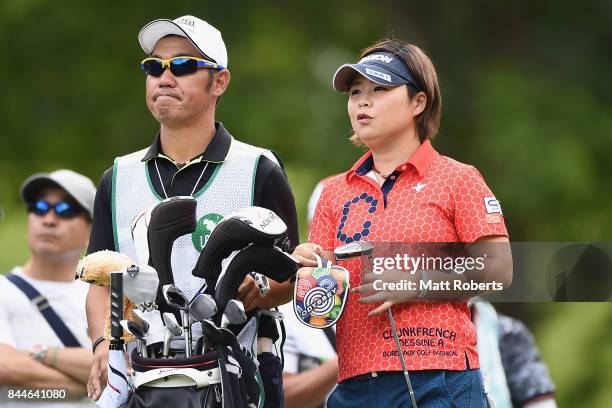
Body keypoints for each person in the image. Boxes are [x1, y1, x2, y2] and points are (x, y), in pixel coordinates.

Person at [84, 15, 298, 407]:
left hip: (236, 383)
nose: (164, 78)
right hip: (143, 386)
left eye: (182, 65)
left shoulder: (258, 169)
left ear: (220, 82)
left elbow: (290, 277)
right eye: (153, 66)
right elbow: (103, 283)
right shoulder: (117, 177)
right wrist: (102, 341)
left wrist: (261, 291)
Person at [292, 39, 513, 407]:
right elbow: (321, 307)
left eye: (380, 89)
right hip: (355, 387)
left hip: (442, 381)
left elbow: (500, 269)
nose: (363, 101)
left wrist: (415, 282)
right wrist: (305, 274)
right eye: (356, 92)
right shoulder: (332, 193)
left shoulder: (458, 178)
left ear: (418, 102)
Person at [0, 170, 96, 407]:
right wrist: (83, 386)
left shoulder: (102, 296)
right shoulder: (3, 290)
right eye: (40, 207)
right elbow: (5, 367)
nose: (49, 219)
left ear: (92, 232)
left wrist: (44, 354)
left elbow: (122, 370)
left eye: (66, 211)